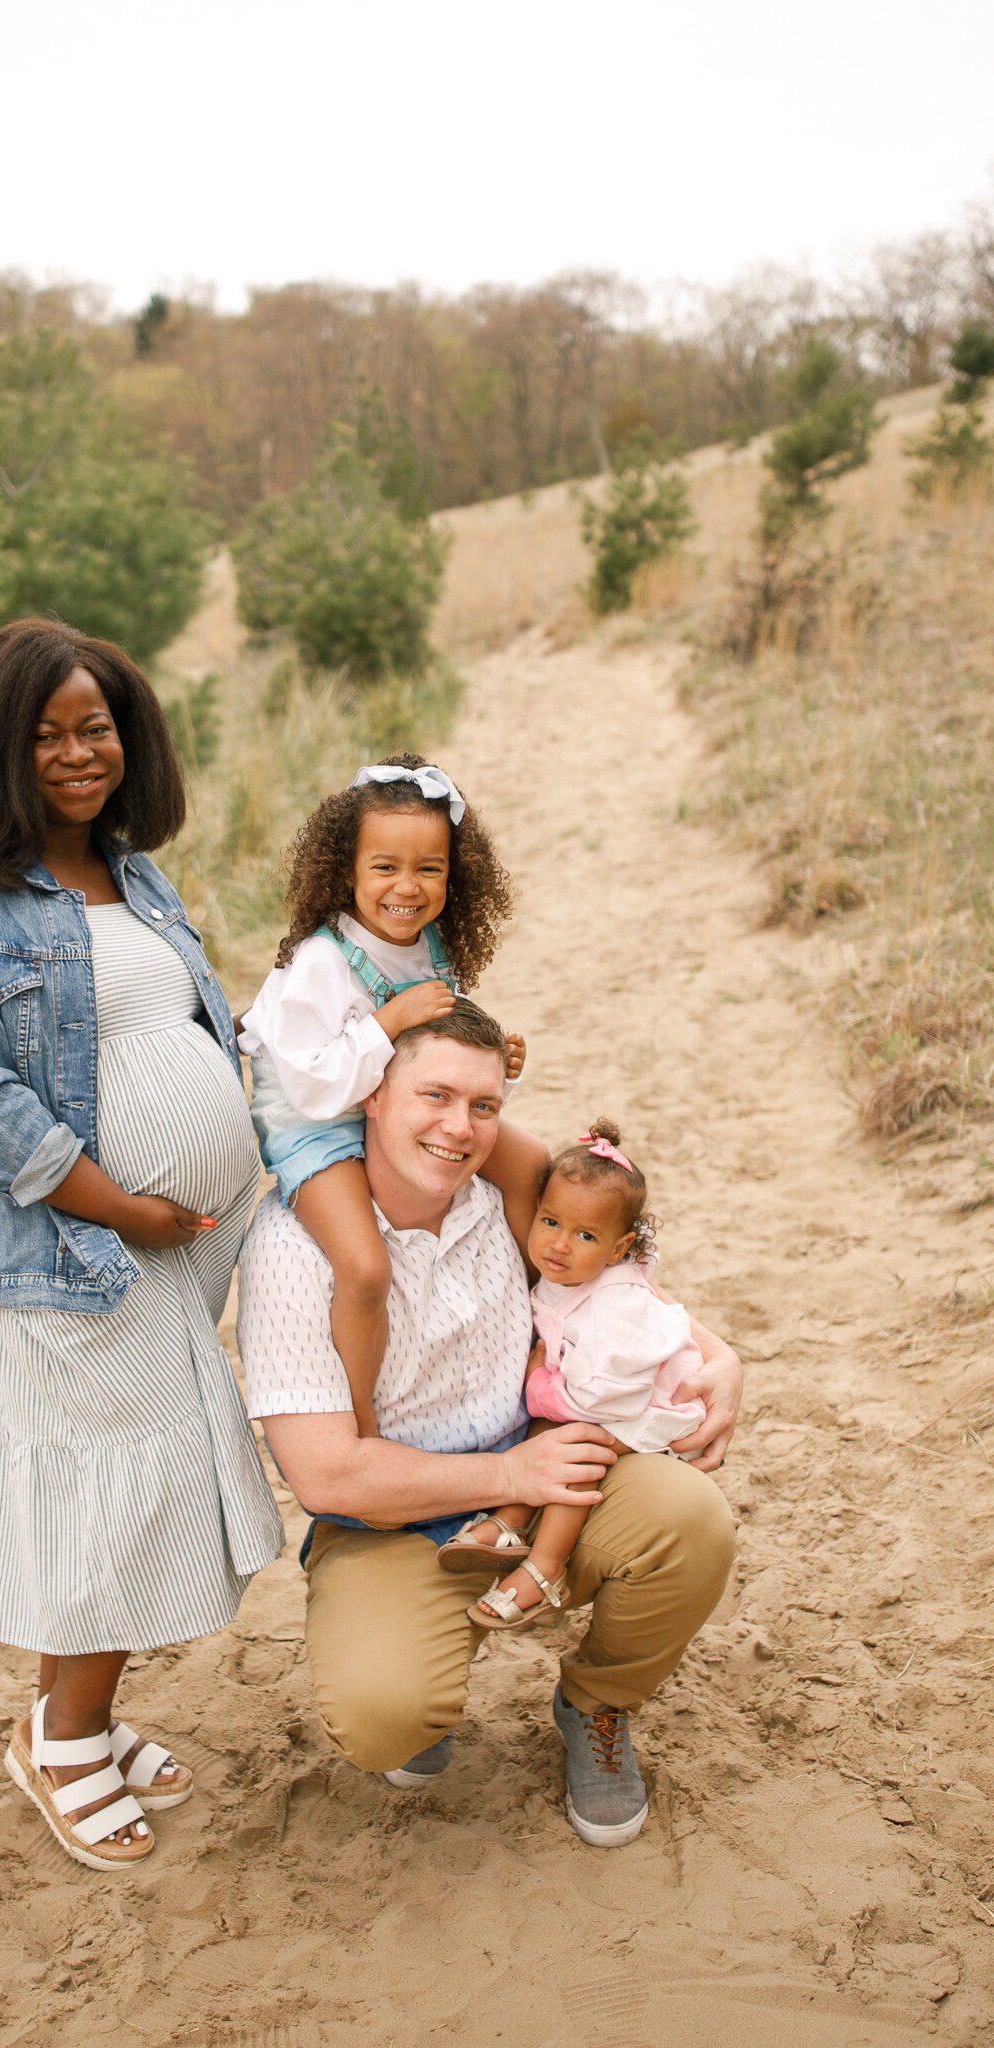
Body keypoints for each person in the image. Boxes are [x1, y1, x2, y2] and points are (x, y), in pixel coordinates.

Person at [0, 619, 284, 1874]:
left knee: (119, 1479)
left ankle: (79, 1723)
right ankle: (65, 1739)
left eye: (96, 725)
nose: (77, 751)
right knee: (127, 1488)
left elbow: (180, 1026)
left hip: (168, 1251)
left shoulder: (127, 871)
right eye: (47, 732)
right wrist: (121, 1202)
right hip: (74, 1255)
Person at [236, 1003, 739, 1849]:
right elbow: (323, 1476)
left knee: (691, 1522)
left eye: (483, 1106)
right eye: (433, 1095)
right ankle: (424, 1664)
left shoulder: (513, 1205)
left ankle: (596, 1706)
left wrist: (720, 1355)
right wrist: (510, 1479)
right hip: (391, 1519)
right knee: (383, 1720)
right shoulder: (293, 1246)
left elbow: (612, 1292)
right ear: (371, 1095)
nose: (458, 1127)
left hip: (540, 1480)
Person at [238, 755, 548, 1438]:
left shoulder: (430, 944)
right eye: (384, 867)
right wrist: (387, 1023)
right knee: (364, 1266)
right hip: (316, 1122)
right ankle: (363, 1420)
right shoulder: (319, 963)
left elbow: (442, 1045)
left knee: (531, 1166)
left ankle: (546, 1327)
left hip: (392, 1107)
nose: (406, 887)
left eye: (428, 869)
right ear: (345, 870)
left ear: (453, 873)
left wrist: (500, 1060)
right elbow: (312, 1084)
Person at [452, 1118, 708, 1631]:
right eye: (549, 1222)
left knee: (572, 1448)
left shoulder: (616, 1306)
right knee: (549, 1433)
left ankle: (547, 1567)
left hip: (643, 1406)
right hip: (592, 1393)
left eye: (585, 1235)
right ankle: (511, 1521)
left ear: (618, 1249)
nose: (559, 1245)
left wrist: (537, 1382)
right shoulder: (567, 1273)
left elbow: (603, 1398)